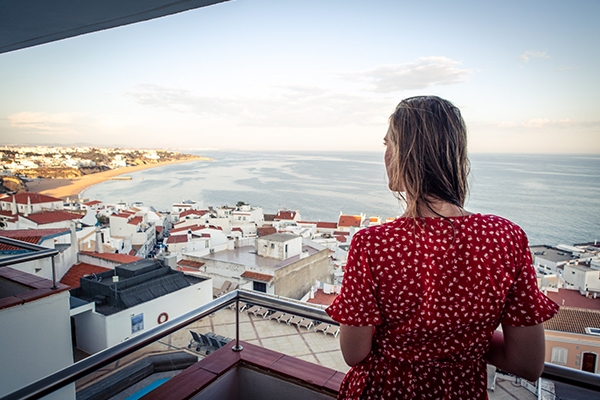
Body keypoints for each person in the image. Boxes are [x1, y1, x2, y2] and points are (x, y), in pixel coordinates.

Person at [326, 96, 559, 399]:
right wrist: (460, 343)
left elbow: (354, 353)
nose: (384, 154)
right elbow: (527, 363)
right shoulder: (506, 238)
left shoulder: (372, 245)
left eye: (388, 144)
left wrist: (414, 344)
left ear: (407, 154)